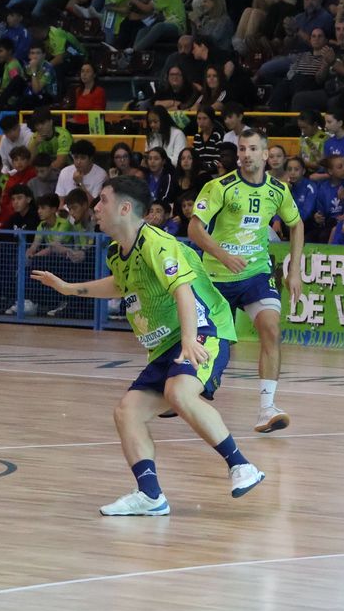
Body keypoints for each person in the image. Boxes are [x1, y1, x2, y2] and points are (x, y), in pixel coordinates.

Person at [30, 176, 261, 514]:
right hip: (167, 343)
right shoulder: (117, 251)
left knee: (178, 393)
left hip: (204, 329)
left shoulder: (157, 243)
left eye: (103, 201)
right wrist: (69, 289)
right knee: (127, 412)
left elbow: (183, 290)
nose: (95, 207)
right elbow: (120, 285)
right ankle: (150, 495)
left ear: (125, 208)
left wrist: (187, 340)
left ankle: (241, 466)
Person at [187, 129, 304, 435]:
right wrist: (222, 255)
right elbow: (195, 229)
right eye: (242, 149)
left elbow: (297, 224)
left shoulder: (278, 190)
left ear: (266, 155)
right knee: (208, 345)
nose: (246, 154)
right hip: (216, 277)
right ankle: (181, 391)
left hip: (255, 274)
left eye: (253, 149)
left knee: (271, 329)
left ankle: (267, 408)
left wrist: (295, 271)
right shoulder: (220, 187)